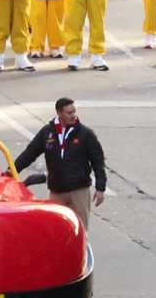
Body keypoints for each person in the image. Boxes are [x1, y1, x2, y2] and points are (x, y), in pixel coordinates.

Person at [15, 97, 108, 230]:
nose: (73, 115)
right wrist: (11, 170)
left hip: (79, 191)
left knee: (80, 230)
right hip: (57, 191)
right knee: (56, 230)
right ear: (59, 113)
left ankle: (82, 251)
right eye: (69, 113)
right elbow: (29, 154)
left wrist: (100, 187)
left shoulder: (85, 134)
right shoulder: (47, 132)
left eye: (74, 112)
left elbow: (98, 161)